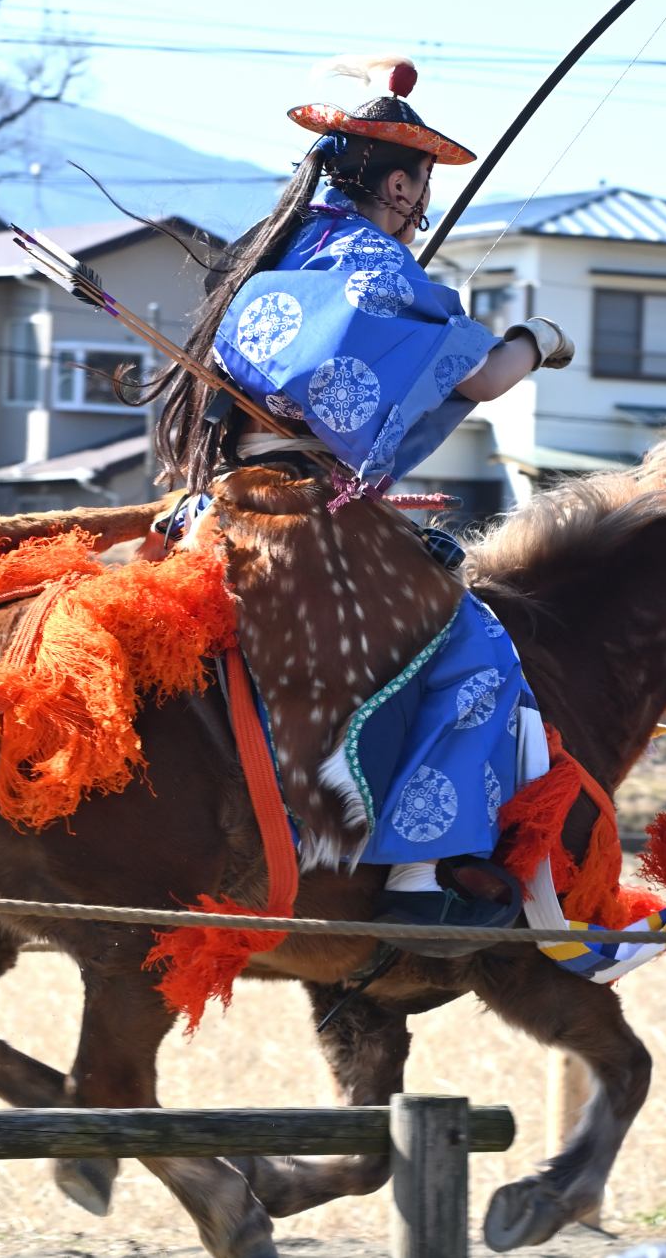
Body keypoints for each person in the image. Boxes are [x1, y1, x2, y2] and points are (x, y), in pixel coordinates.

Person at [144, 56, 573, 952]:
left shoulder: (269, 256)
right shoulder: (377, 265)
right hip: (305, 515)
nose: (421, 206)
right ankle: (421, 873)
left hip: (219, 504)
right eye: (418, 187)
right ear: (397, 179)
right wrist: (540, 339)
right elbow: (488, 378)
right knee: (481, 646)